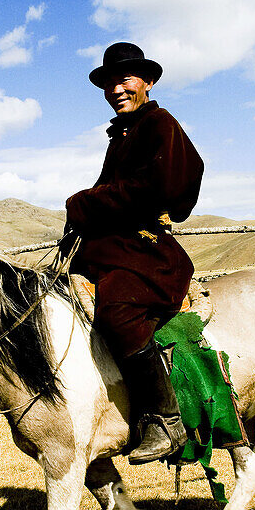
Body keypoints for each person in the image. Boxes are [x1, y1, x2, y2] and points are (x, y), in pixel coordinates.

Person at [63, 42, 204, 464]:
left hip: (149, 252)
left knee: (117, 311)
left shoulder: (160, 124)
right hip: (118, 247)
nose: (116, 89)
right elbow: (115, 192)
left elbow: (161, 188)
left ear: (148, 81)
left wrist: (84, 202)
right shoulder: (124, 134)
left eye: (124, 80)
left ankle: (167, 419)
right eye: (109, 83)